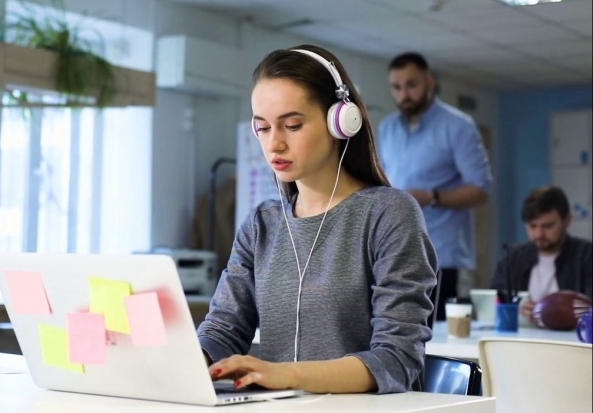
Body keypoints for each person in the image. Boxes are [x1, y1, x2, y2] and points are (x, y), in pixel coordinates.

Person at [196, 45, 438, 395]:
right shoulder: (262, 224)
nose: (274, 144)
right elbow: (223, 330)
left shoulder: (388, 213)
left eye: (292, 125)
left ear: (341, 121)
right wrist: (187, 362)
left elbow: (396, 360)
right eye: (262, 128)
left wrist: (288, 375)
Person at [376, 52, 491, 320]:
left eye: (412, 85)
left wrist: (432, 197)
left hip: (443, 257)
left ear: (429, 83)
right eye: (397, 87)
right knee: (398, 336)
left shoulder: (458, 126)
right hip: (395, 255)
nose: (404, 94)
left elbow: (481, 189)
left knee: (440, 340)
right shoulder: (387, 129)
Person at [491, 186, 592, 323]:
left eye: (548, 226)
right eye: (532, 226)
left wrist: (548, 314)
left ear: (567, 220)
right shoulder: (512, 258)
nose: (539, 234)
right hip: (521, 337)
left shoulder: (586, 256)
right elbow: (494, 302)